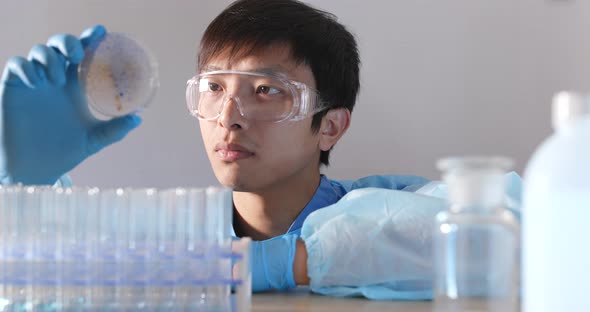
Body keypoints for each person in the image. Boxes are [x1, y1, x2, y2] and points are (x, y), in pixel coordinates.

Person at [0, 0, 521, 300]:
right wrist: (22, 180)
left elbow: (510, 231)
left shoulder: (389, 208)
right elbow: (44, 276)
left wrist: (271, 263)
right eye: (214, 88)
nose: (228, 116)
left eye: (267, 90)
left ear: (331, 126)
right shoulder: (175, 234)